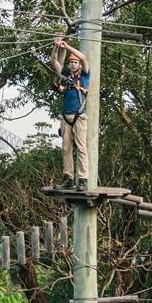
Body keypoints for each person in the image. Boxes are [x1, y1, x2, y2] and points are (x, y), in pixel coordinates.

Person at [51, 33, 90, 189]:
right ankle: (68, 177)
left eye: (75, 62)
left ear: (79, 64)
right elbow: (54, 61)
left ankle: (83, 180)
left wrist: (66, 46)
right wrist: (56, 46)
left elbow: (84, 58)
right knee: (66, 148)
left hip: (79, 116)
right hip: (65, 116)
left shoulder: (85, 75)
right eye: (71, 62)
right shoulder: (66, 76)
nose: (73, 64)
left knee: (81, 148)